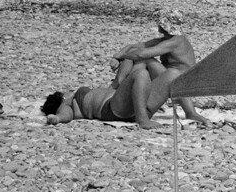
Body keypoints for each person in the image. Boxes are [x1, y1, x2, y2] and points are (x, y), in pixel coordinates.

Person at [41, 28, 209, 128]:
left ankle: (189, 112)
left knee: (173, 75)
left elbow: (68, 113)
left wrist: (119, 56)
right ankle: (142, 119)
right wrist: (58, 117)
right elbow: (64, 112)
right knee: (140, 73)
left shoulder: (76, 105)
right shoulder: (71, 99)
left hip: (129, 106)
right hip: (114, 109)